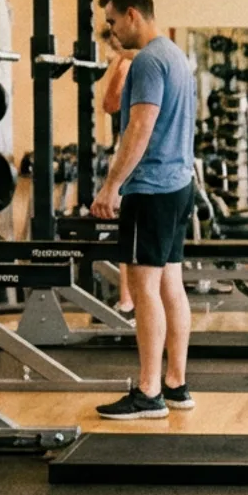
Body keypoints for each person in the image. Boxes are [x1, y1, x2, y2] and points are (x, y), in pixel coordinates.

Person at [91, 0, 197, 419]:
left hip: (151, 189)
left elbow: (139, 128)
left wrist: (111, 186)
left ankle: (149, 391)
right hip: (179, 185)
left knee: (144, 290)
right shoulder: (175, 55)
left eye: (113, 21)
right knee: (171, 284)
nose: (112, 31)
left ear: (132, 14)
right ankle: (176, 384)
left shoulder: (149, 61)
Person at [99, 25, 138, 316]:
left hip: (131, 156)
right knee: (131, 230)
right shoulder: (138, 61)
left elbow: (109, 103)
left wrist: (120, 63)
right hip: (130, 153)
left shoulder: (130, 62)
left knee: (130, 230)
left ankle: (128, 299)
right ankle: (129, 298)